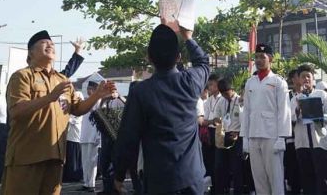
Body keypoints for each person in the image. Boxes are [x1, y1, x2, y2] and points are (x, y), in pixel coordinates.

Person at [2, 30, 116, 195]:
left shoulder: (62, 80)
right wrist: (50, 97)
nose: (50, 45)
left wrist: (98, 95)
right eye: (44, 42)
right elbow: (16, 111)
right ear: (31, 52)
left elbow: (77, 109)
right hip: (26, 156)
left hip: (55, 157)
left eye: (52, 44)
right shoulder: (22, 76)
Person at [112, 24, 209, 194]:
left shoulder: (140, 92)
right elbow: (203, 63)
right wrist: (187, 37)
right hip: (192, 177)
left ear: (149, 57)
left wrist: (119, 175)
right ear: (178, 57)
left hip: (160, 180)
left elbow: (128, 138)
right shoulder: (190, 82)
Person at [240, 43, 292, 195]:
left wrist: (282, 137)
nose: (259, 60)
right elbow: (247, 111)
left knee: (275, 177)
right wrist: (245, 138)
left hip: (272, 136)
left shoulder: (278, 82)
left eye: (262, 57)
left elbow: (284, 111)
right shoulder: (250, 82)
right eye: (256, 57)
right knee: (259, 179)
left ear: (270, 59)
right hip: (254, 135)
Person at [291, 64, 327, 194]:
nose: (306, 79)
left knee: (323, 176)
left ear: (313, 79)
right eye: (303, 77)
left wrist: (318, 116)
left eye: (308, 76)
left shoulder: (322, 95)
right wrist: (298, 109)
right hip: (302, 143)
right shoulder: (294, 99)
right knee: (307, 178)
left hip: (319, 142)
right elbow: (290, 119)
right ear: (298, 79)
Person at [213, 78, 244, 195]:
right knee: (219, 167)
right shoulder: (221, 101)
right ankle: (221, 191)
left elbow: (245, 120)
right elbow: (216, 116)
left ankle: (238, 192)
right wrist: (216, 120)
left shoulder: (240, 100)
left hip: (237, 135)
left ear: (232, 89)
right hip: (224, 135)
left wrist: (239, 133)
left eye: (227, 93)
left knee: (236, 168)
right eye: (223, 94)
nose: (226, 96)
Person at [79, 81, 101, 193]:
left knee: (92, 161)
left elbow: (99, 119)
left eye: (91, 88)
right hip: (84, 134)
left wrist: (98, 136)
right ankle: (86, 182)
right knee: (85, 161)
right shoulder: (85, 101)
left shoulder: (98, 101)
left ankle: (91, 183)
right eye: (88, 88)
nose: (88, 90)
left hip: (93, 135)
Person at [284, 69, 302, 195]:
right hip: (291, 138)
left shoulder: (311, 94)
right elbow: (286, 116)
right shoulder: (288, 96)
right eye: (297, 76)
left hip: (306, 139)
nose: (300, 79)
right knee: (292, 167)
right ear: (293, 79)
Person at [63, 91, 84, 183]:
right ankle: (68, 175)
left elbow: (75, 120)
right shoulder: (72, 109)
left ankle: (74, 176)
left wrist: (66, 117)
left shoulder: (81, 109)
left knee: (74, 158)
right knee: (69, 157)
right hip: (69, 136)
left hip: (75, 137)